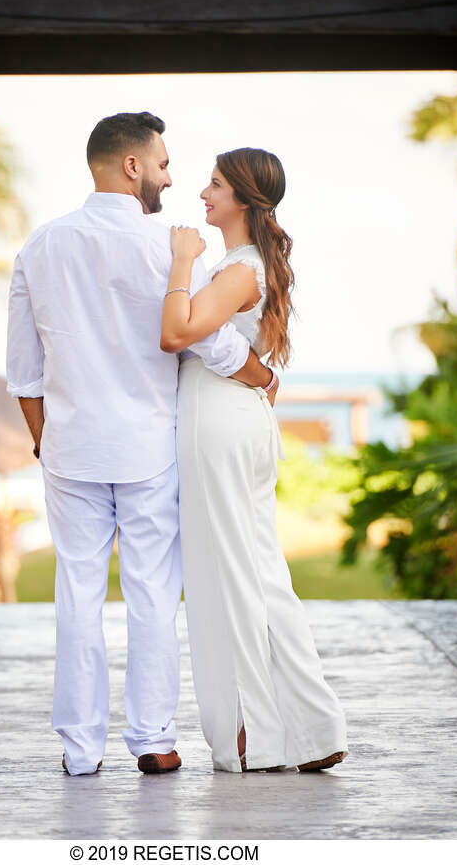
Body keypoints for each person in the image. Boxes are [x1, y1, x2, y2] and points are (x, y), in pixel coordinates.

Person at [6, 113, 278, 777]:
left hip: (71, 448)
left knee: (77, 590)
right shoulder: (169, 249)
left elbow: (23, 370)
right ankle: (153, 739)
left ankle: (79, 750)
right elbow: (206, 340)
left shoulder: (40, 246)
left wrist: (48, 445)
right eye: (160, 163)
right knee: (153, 592)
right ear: (131, 166)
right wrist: (262, 375)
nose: (169, 176)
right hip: (149, 449)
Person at [160, 147, 349, 773]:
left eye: (214, 184)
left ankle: (264, 736)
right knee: (249, 572)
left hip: (220, 423)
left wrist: (182, 261)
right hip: (228, 419)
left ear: (242, 197)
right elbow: (211, 342)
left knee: (236, 577)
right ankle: (299, 731)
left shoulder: (237, 270)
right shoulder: (243, 266)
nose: (202, 193)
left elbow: (177, 331)